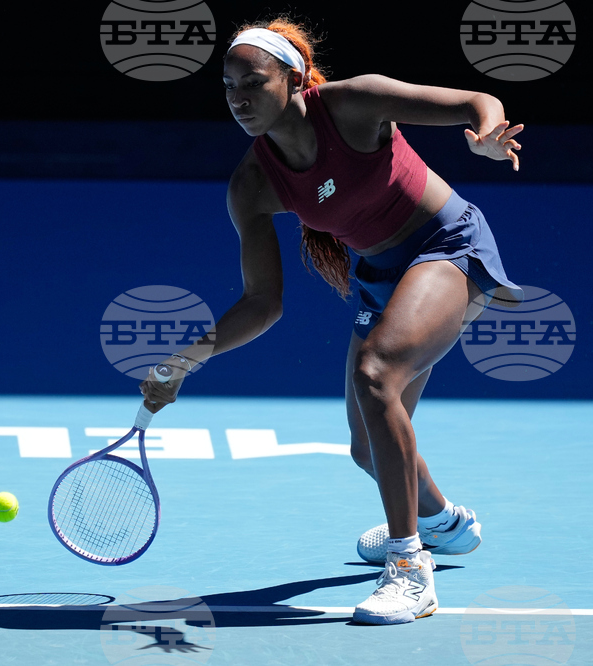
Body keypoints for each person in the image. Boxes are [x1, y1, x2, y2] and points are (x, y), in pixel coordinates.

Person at [139, 18, 524, 625]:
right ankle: (443, 523)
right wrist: (184, 359)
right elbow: (263, 303)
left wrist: (487, 132)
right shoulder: (252, 182)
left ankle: (409, 570)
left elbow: (471, 101)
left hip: (447, 248)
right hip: (382, 274)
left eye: (254, 82)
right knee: (367, 448)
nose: (238, 98)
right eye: (228, 86)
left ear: (292, 78)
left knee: (376, 377)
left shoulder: (353, 103)